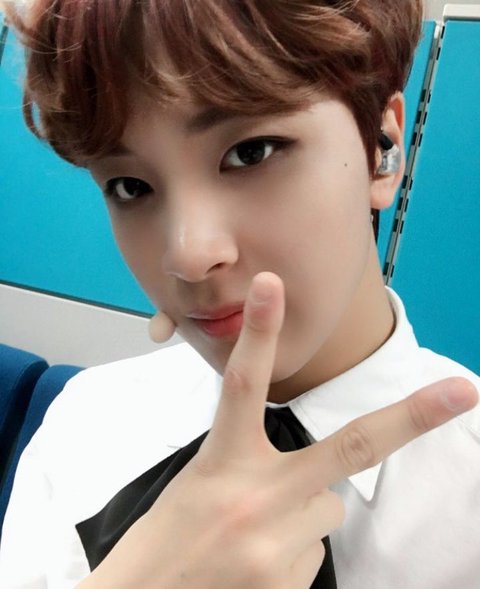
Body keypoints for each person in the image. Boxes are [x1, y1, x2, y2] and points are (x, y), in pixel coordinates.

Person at [0, 0, 479, 587]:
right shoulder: (85, 424)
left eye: (251, 152)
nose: (187, 254)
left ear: (382, 151)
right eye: (129, 186)